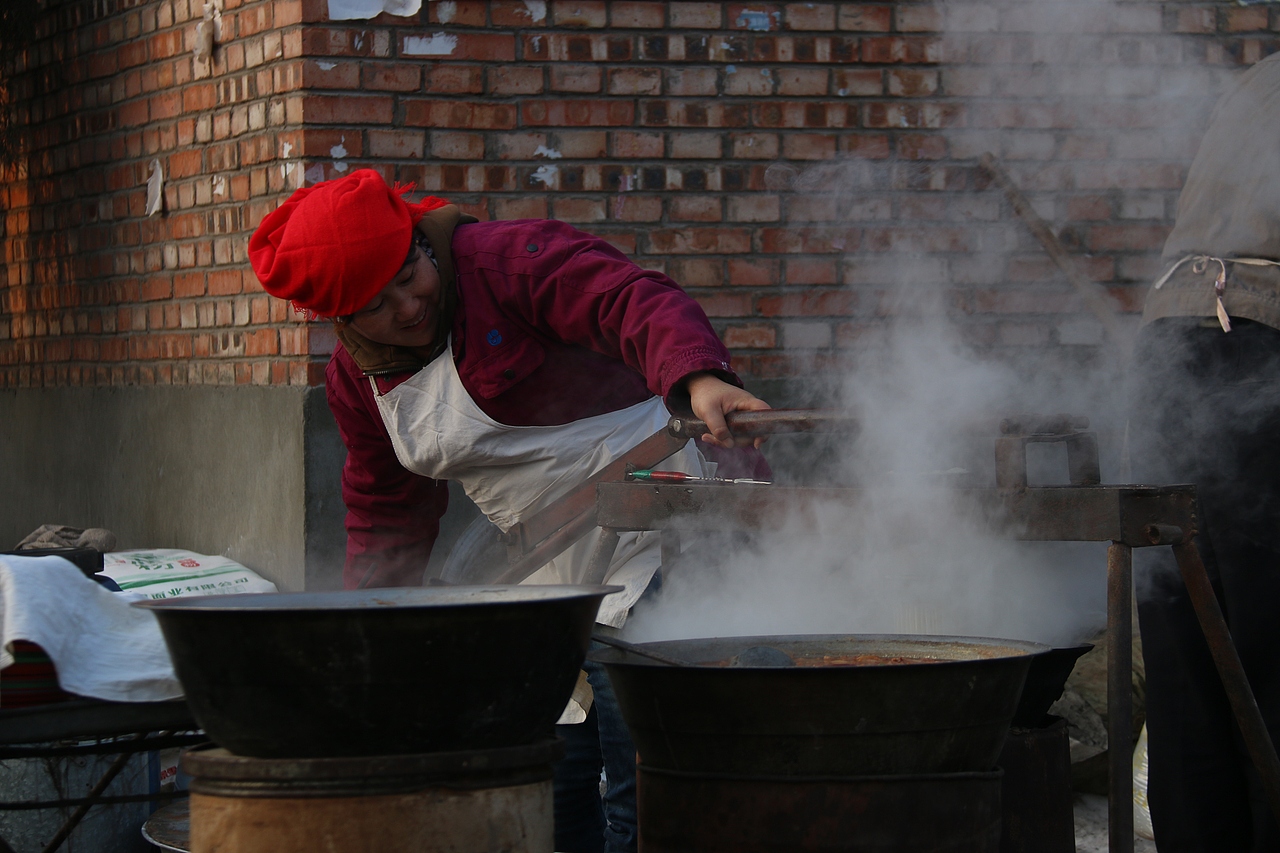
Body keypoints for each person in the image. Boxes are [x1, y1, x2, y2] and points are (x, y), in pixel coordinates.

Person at [247, 168, 771, 853]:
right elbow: (386, 511)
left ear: (420, 242)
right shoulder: (355, 384)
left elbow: (626, 298)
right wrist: (369, 631)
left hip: (663, 521)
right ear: (339, 320)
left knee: (639, 786)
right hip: (544, 570)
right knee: (549, 782)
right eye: (377, 305)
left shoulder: (504, 264)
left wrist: (698, 376)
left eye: (409, 274)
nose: (408, 305)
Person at [1128, 51, 1280, 852]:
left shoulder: (1263, 76)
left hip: (1169, 353)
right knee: (1268, 654)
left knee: (1189, 656)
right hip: (1260, 351)